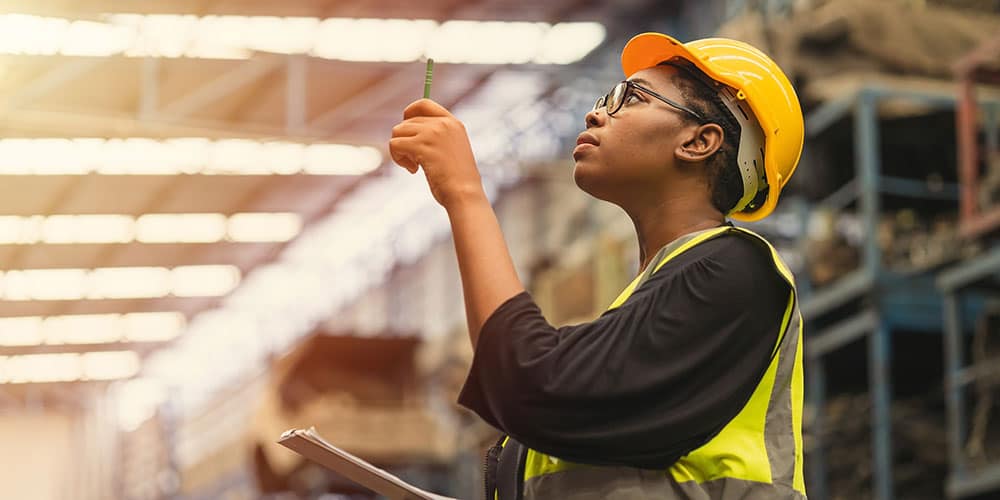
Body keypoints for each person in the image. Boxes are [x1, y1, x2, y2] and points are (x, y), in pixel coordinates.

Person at [390, 32, 806, 500]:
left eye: (630, 98)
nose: (595, 113)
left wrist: (465, 195)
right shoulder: (654, 297)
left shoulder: (736, 270)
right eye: (606, 97)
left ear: (698, 141)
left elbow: (533, 384)